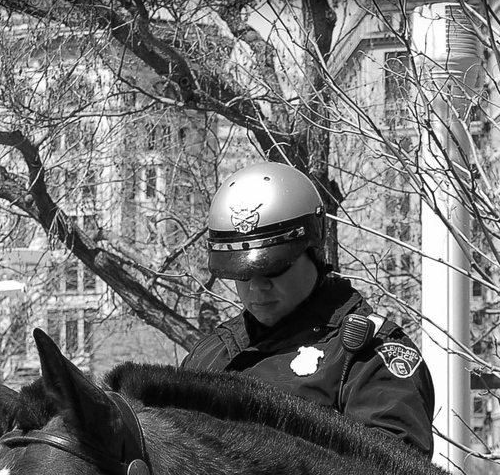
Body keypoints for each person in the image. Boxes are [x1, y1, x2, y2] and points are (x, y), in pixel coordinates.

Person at [185, 161, 436, 457]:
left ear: (315, 252)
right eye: (241, 275)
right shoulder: (211, 355)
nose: (256, 288)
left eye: (273, 269)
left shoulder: (367, 357)